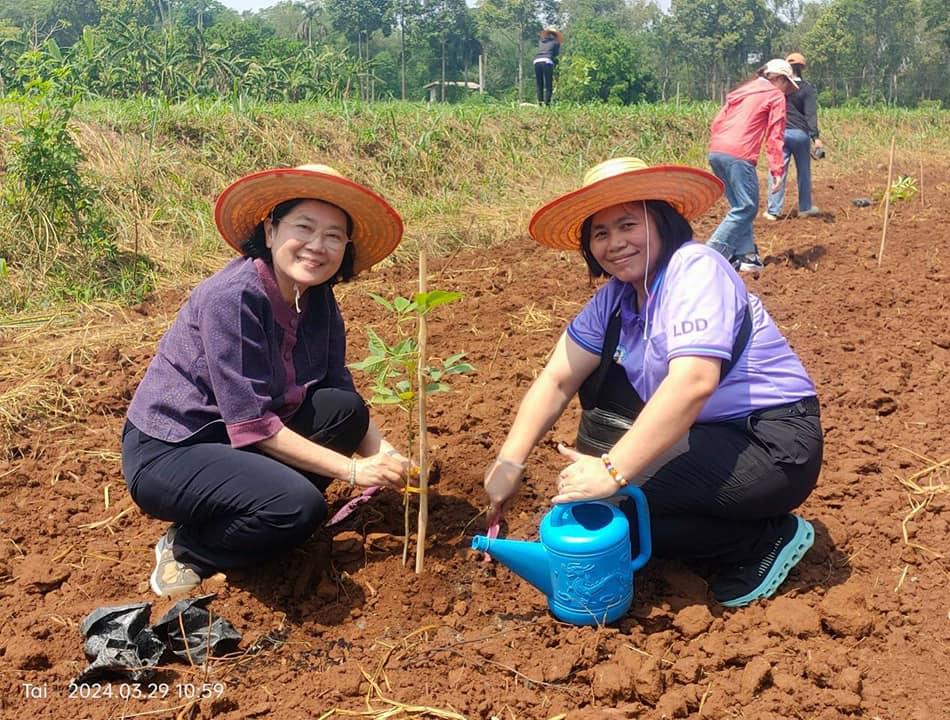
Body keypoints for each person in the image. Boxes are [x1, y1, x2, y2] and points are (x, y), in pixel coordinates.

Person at [484, 157, 822, 608]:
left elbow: (694, 383)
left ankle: (762, 541)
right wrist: (510, 462)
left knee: (624, 505)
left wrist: (611, 470)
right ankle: (710, 521)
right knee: (619, 509)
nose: (615, 243)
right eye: (600, 234)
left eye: (627, 224)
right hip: (711, 434)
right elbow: (558, 378)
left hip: (772, 441)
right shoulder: (617, 298)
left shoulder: (695, 268)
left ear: (661, 220)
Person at [121, 164, 413, 597]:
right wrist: (355, 470)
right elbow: (253, 423)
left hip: (237, 442)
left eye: (334, 236)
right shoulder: (233, 298)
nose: (318, 246)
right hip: (174, 449)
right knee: (296, 507)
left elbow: (338, 383)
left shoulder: (317, 297)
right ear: (271, 231)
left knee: (344, 410)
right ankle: (190, 547)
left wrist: (387, 456)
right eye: (305, 228)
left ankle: (251, 510)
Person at [706, 59, 798, 274]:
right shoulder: (775, 95)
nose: (786, 92)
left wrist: (720, 147)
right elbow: (775, 136)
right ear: (780, 79)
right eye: (787, 85)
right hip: (739, 153)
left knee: (739, 205)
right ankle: (710, 255)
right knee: (747, 208)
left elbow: (717, 122)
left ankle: (747, 257)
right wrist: (777, 170)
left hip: (717, 151)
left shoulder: (743, 91)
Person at [763, 53, 824, 220]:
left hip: (780, 132)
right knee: (804, 171)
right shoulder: (807, 88)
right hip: (800, 133)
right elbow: (810, 114)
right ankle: (805, 207)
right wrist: (815, 138)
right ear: (803, 68)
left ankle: (773, 210)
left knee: (777, 170)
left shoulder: (776, 87)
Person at [533, 26, 562, 106]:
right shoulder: (556, 43)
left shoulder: (541, 41)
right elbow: (556, 58)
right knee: (548, 84)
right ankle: (547, 105)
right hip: (547, 61)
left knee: (539, 84)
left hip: (537, 61)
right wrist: (557, 73)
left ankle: (540, 104)